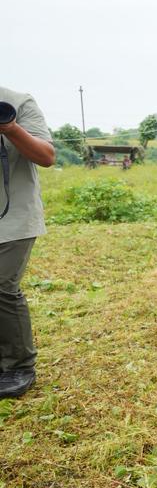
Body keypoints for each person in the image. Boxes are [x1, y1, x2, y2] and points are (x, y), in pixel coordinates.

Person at [0, 87, 55, 400]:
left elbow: (46, 156)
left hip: (14, 217)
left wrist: (11, 128)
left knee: (1, 286)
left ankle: (20, 365)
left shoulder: (17, 102)